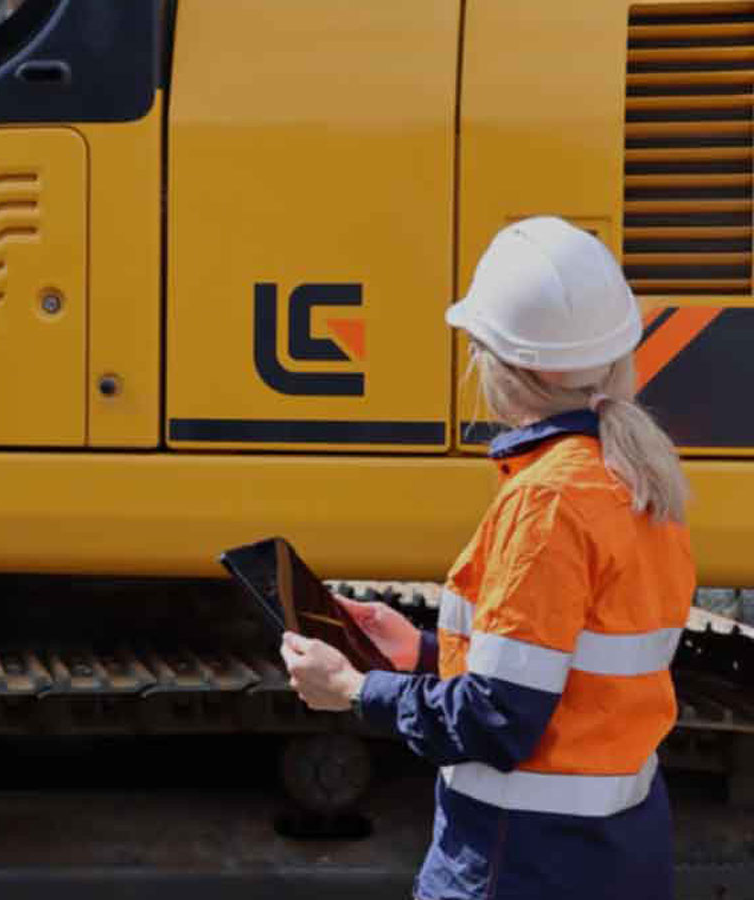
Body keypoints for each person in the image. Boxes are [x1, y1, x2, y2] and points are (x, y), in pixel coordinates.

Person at [280, 216, 695, 900]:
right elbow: (569, 672)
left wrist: (354, 690)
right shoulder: (638, 479)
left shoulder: (548, 502)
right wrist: (417, 649)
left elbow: (496, 720)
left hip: (524, 861)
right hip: (617, 855)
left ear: (500, 368)